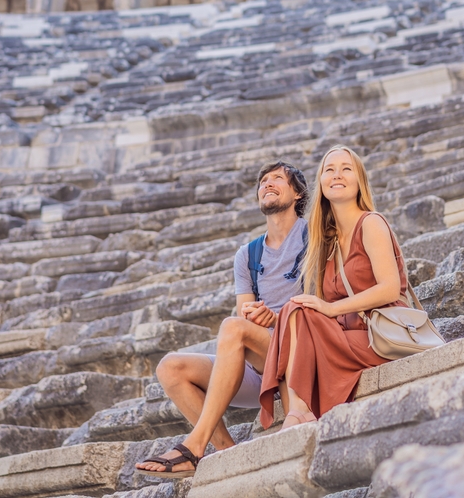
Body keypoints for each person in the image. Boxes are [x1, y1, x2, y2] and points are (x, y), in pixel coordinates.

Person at [136, 161, 309, 477]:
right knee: (170, 368)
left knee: (233, 327)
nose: (267, 184)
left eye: (277, 179)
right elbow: (245, 313)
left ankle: (194, 448)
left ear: (297, 193)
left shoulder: (315, 237)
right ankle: (227, 454)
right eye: (263, 181)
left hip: (304, 347)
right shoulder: (248, 254)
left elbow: (324, 304)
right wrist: (258, 318)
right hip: (263, 357)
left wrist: (276, 318)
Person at [258, 145, 408, 430]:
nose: (337, 175)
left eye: (346, 169)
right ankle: (299, 410)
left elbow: (390, 289)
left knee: (300, 311)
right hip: (346, 335)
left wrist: (330, 308)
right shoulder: (325, 242)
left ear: (359, 181)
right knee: (297, 308)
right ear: (322, 183)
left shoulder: (371, 223)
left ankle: (299, 412)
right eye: (329, 169)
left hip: (380, 335)